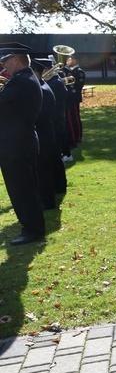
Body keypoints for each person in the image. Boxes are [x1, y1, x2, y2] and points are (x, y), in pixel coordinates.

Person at [0, 43, 46, 246]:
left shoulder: (22, 81)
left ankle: (32, 230)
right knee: (26, 188)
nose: (4, 67)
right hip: (19, 142)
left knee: (22, 190)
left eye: (5, 61)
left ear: (16, 59)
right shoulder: (24, 79)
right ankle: (33, 227)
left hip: (16, 145)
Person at [30, 59, 58, 210]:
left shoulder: (43, 90)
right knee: (41, 170)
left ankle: (47, 202)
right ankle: (44, 199)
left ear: (37, 73)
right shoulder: (40, 87)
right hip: (43, 134)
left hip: (44, 135)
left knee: (43, 170)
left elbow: (39, 116)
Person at [41, 57, 68, 194]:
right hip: (56, 123)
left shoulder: (54, 83)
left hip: (54, 124)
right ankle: (59, 186)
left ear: (46, 69)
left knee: (54, 157)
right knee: (55, 157)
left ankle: (59, 186)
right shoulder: (53, 81)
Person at [63, 55, 85, 162]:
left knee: (73, 119)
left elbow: (76, 87)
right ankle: (74, 137)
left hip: (73, 99)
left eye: (69, 59)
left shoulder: (79, 72)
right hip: (68, 99)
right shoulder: (67, 71)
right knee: (70, 119)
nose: (67, 61)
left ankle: (76, 138)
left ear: (75, 60)